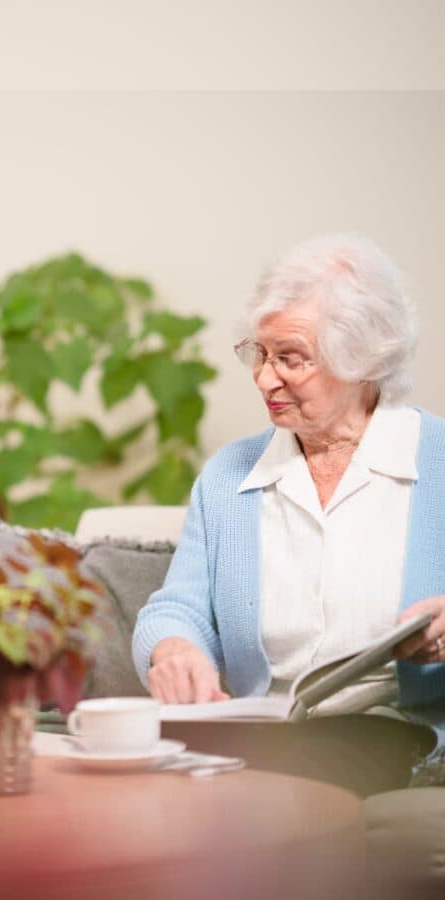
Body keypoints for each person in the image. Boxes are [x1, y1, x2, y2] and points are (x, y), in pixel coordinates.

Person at [131, 233, 443, 795]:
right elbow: (177, 607)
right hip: (261, 732)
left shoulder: (439, 466)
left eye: (290, 359)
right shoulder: (230, 476)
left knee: (255, 795)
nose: (264, 378)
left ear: (362, 359)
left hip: (394, 734)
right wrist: (173, 649)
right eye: (260, 353)